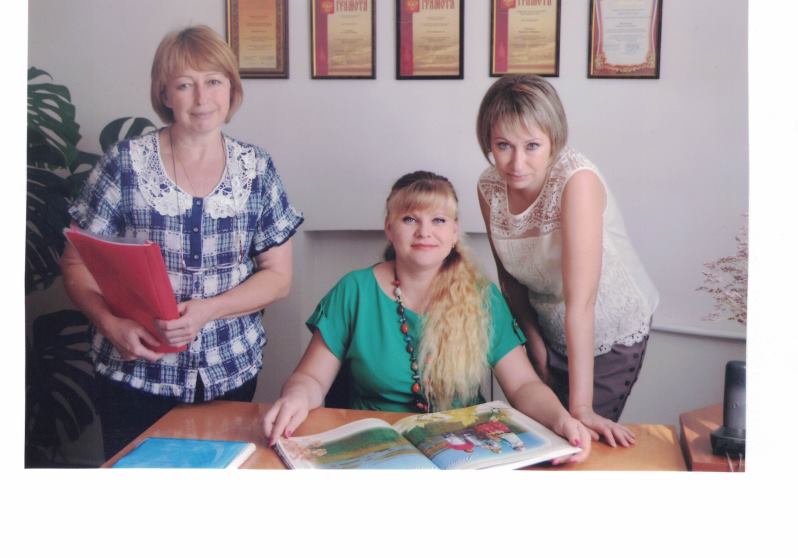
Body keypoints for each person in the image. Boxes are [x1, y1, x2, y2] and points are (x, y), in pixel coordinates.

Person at [60, 25, 303, 459]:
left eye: (214, 82)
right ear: (165, 94)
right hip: (134, 375)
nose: (202, 98)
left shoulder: (257, 168)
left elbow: (278, 277)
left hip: (229, 370)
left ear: (232, 88)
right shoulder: (124, 164)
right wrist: (110, 325)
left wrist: (209, 309)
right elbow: (75, 263)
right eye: (185, 85)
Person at [263, 171, 590, 464]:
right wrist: (296, 397)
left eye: (439, 220)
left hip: (465, 453)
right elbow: (311, 378)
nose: (424, 232)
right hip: (375, 452)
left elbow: (523, 385)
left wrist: (561, 419)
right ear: (389, 229)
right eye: (409, 219)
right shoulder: (354, 290)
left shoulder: (482, 296)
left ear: (454, 232)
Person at [476, 75, 659, 447]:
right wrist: (532, 342)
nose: (516, 162)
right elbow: (510, 280)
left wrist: (582, 408)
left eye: (532, 145)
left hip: (605, 330)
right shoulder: (489, 187)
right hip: (546, 326)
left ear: (554, 139)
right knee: (538, 440)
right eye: (503, 145)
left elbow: (582, 303)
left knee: (577, 440)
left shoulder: (576, 182)